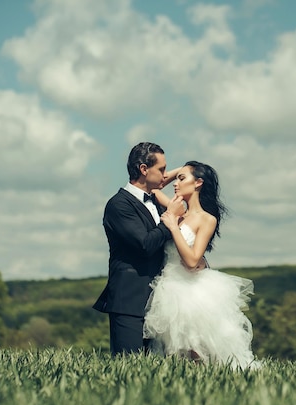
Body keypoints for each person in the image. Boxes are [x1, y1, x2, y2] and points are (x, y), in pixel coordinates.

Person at [143, 161, 258, 369]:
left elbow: (192, 261)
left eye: (181, 179)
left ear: (198, 183)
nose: (175, 184)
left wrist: (173, 227)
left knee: (199, 354)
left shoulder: (206, 219)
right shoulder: (176, 211)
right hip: (167, 289)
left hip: (191, 292)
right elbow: (152, 186)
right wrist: (182, 169)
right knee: (174, 358)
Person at [93, 142, 184, 356]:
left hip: (160, 303)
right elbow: (145, 244)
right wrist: (171, 218)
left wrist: (183, 171)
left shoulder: (156, 200)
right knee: (129, 368)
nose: (165, 175)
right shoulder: (118, 205)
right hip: (129, 303)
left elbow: (159, 182)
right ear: (144, 169)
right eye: (161, 169)